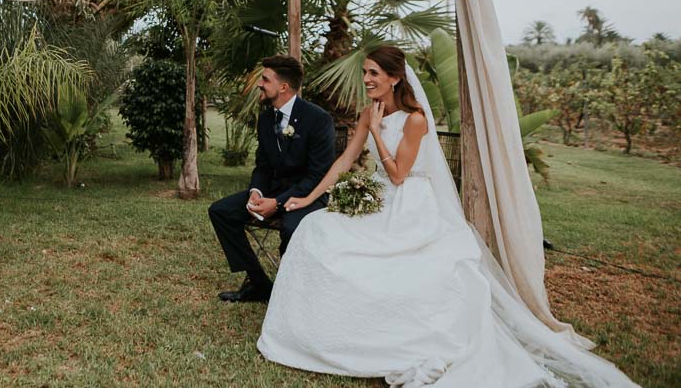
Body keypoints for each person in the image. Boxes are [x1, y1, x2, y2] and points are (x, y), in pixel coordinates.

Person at [257, 46, 638, 387]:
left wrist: (376, 129)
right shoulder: (366, 113)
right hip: (378, 198)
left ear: (394, 78)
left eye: (374, 73)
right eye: (366, 72)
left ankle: (389, 336)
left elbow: (399, 175)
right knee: (315, 230)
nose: (367, 79)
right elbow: (343, 160)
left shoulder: (415, 119)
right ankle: (321, 333)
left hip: (409, 204)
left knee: (392, 265)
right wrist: (309, 195)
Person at [208, 55, 335, 303]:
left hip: (308, 196)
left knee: (292, 227)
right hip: (273, 191)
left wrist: (276, 203)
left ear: (284, 87)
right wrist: (256, 192)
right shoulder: (267, 118)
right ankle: (258, 284)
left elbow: (317, 175)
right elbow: (263, 166)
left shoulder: (318, 119)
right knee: (220, 211)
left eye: (265, 79)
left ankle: (291, 295)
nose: (259, 84)